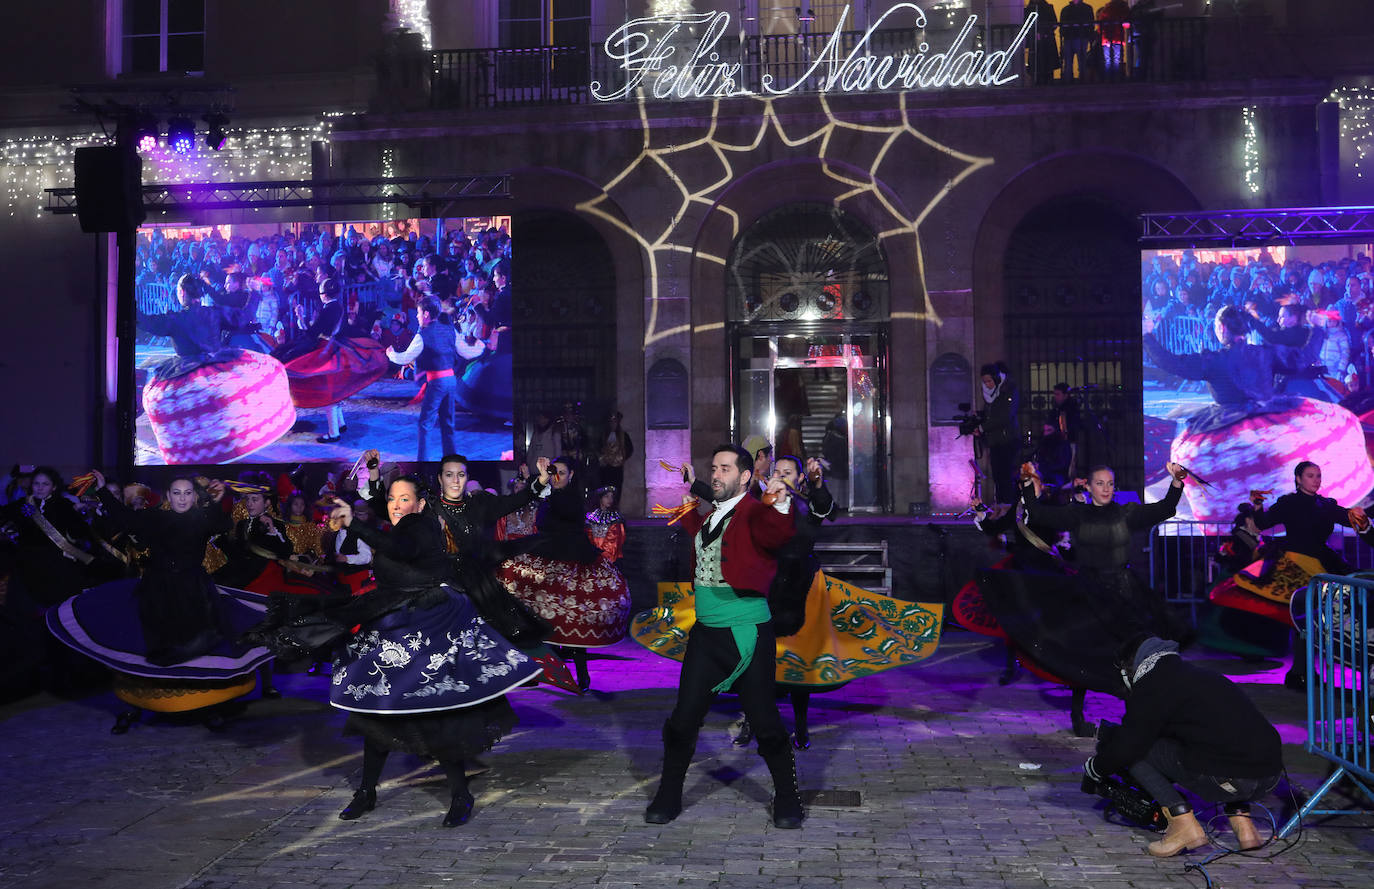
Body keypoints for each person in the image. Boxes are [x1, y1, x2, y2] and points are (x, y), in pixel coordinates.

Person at [306, 475, 542, 827]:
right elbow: (386, 546)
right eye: (391, 499)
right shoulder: (399, 527)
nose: (397, 504)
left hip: (429, 632)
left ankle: (460, 794)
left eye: (404, 499)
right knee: (375, 711)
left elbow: (399, 550)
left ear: (419, 504)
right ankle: (366, 792)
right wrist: (352, 518)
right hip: (394, 632)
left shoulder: (423, 526)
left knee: (435, 716)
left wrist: (355, 521)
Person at [643, 445, 803, 828]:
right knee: (683, 719)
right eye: (713, 467)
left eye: (725, 469)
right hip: (706, 634)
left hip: (747, 633)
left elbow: (776, 531)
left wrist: (780, 504)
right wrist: (689, 500)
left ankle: (787, 796)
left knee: (764, 722)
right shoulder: (713, 513)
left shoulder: (756, 512)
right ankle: (668, 793)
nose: (716, 474)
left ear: (745, 477)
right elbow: (706, 534)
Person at [982, 462, 1190, 735]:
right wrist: (1025, 487)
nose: (1106, 488)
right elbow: (1038, 514)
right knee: (1083, 653)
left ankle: (1137, 718)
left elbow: (1164, 509)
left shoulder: (1126, 513)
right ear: (1089, 487)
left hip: (1123, 593)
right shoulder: (1076, 514)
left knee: (1133, 655)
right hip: (1088, 592)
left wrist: (1176, 482)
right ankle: (1078, 718)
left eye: (1110, 484)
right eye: (1100, 483)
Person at [1084, 635, 1282, 857]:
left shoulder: (1152, 685)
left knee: (1136, 753)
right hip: (1270, 777)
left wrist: (1095, 768)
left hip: (1233, 779)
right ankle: (1245, 830)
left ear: (1128, 669)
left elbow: (1126, 747)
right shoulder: (1199, 676)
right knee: (1220, 747)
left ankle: (1183, 826)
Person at [497, 456, 632, 691]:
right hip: (548, 559)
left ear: (571, 475)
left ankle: (581, 675)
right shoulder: (549, 497)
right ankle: (543, 671)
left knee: (572, 616)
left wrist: (542, 482)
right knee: (541, 615)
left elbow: (561, 507)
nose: (556, 476)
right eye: (553, 471)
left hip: (573, 563)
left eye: (561, 472)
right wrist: (537, 480)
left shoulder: (570, 496)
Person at [273, 276, 389, 444]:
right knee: (334, 389)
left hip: (325, 350)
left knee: (326, 390)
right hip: (336, 348)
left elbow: (314, 331)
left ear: (324, 295)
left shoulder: (329, 309)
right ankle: (340, 424)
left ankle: (334, 432)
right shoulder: (337, 307)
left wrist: (303, 320)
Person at [387, 297, 463, 461]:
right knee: (448, 423)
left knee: (425, 424)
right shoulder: (450, 330)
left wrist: (391, 354)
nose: (417, 316)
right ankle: (451, 460)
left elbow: (405, 357)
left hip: (438, 383)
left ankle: (423, 463)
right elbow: (465, 351)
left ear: (426, 314)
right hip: (451, 380)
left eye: (419, 313)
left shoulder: (423, 335)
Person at [977, 362, 1020, 505]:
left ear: (996, 378)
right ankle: (1001, 505)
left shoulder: (1009, 390)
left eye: (989, 381)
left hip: (1008, 440)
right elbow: (990, 415)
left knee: (1006, 475)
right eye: (985, 382)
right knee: (997, 475)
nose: (987, 384)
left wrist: (983, 427)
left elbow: (1005, 416)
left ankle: (1008, 507)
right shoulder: (989, 396)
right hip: (995, 441)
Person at [585, 486, 626, 564]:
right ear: (600, 498)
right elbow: (588, 536)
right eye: (606, 496)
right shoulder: (591, 517)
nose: (610, 500)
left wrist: (602, 556)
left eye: (612, 497)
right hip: (591, 556)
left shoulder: (615, 518)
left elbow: (613, 541)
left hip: (608, 557)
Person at [597, 411, 634, 492]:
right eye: (611, 422)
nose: (613, 424)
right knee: (605, 488)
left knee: (617, 488)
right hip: (606, 467)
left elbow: (630, 449)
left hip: (617, 468)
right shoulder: (603, 435)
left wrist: (622, 457)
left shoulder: (624, 436)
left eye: (615, 422)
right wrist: (603, 457)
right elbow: (598, 448)